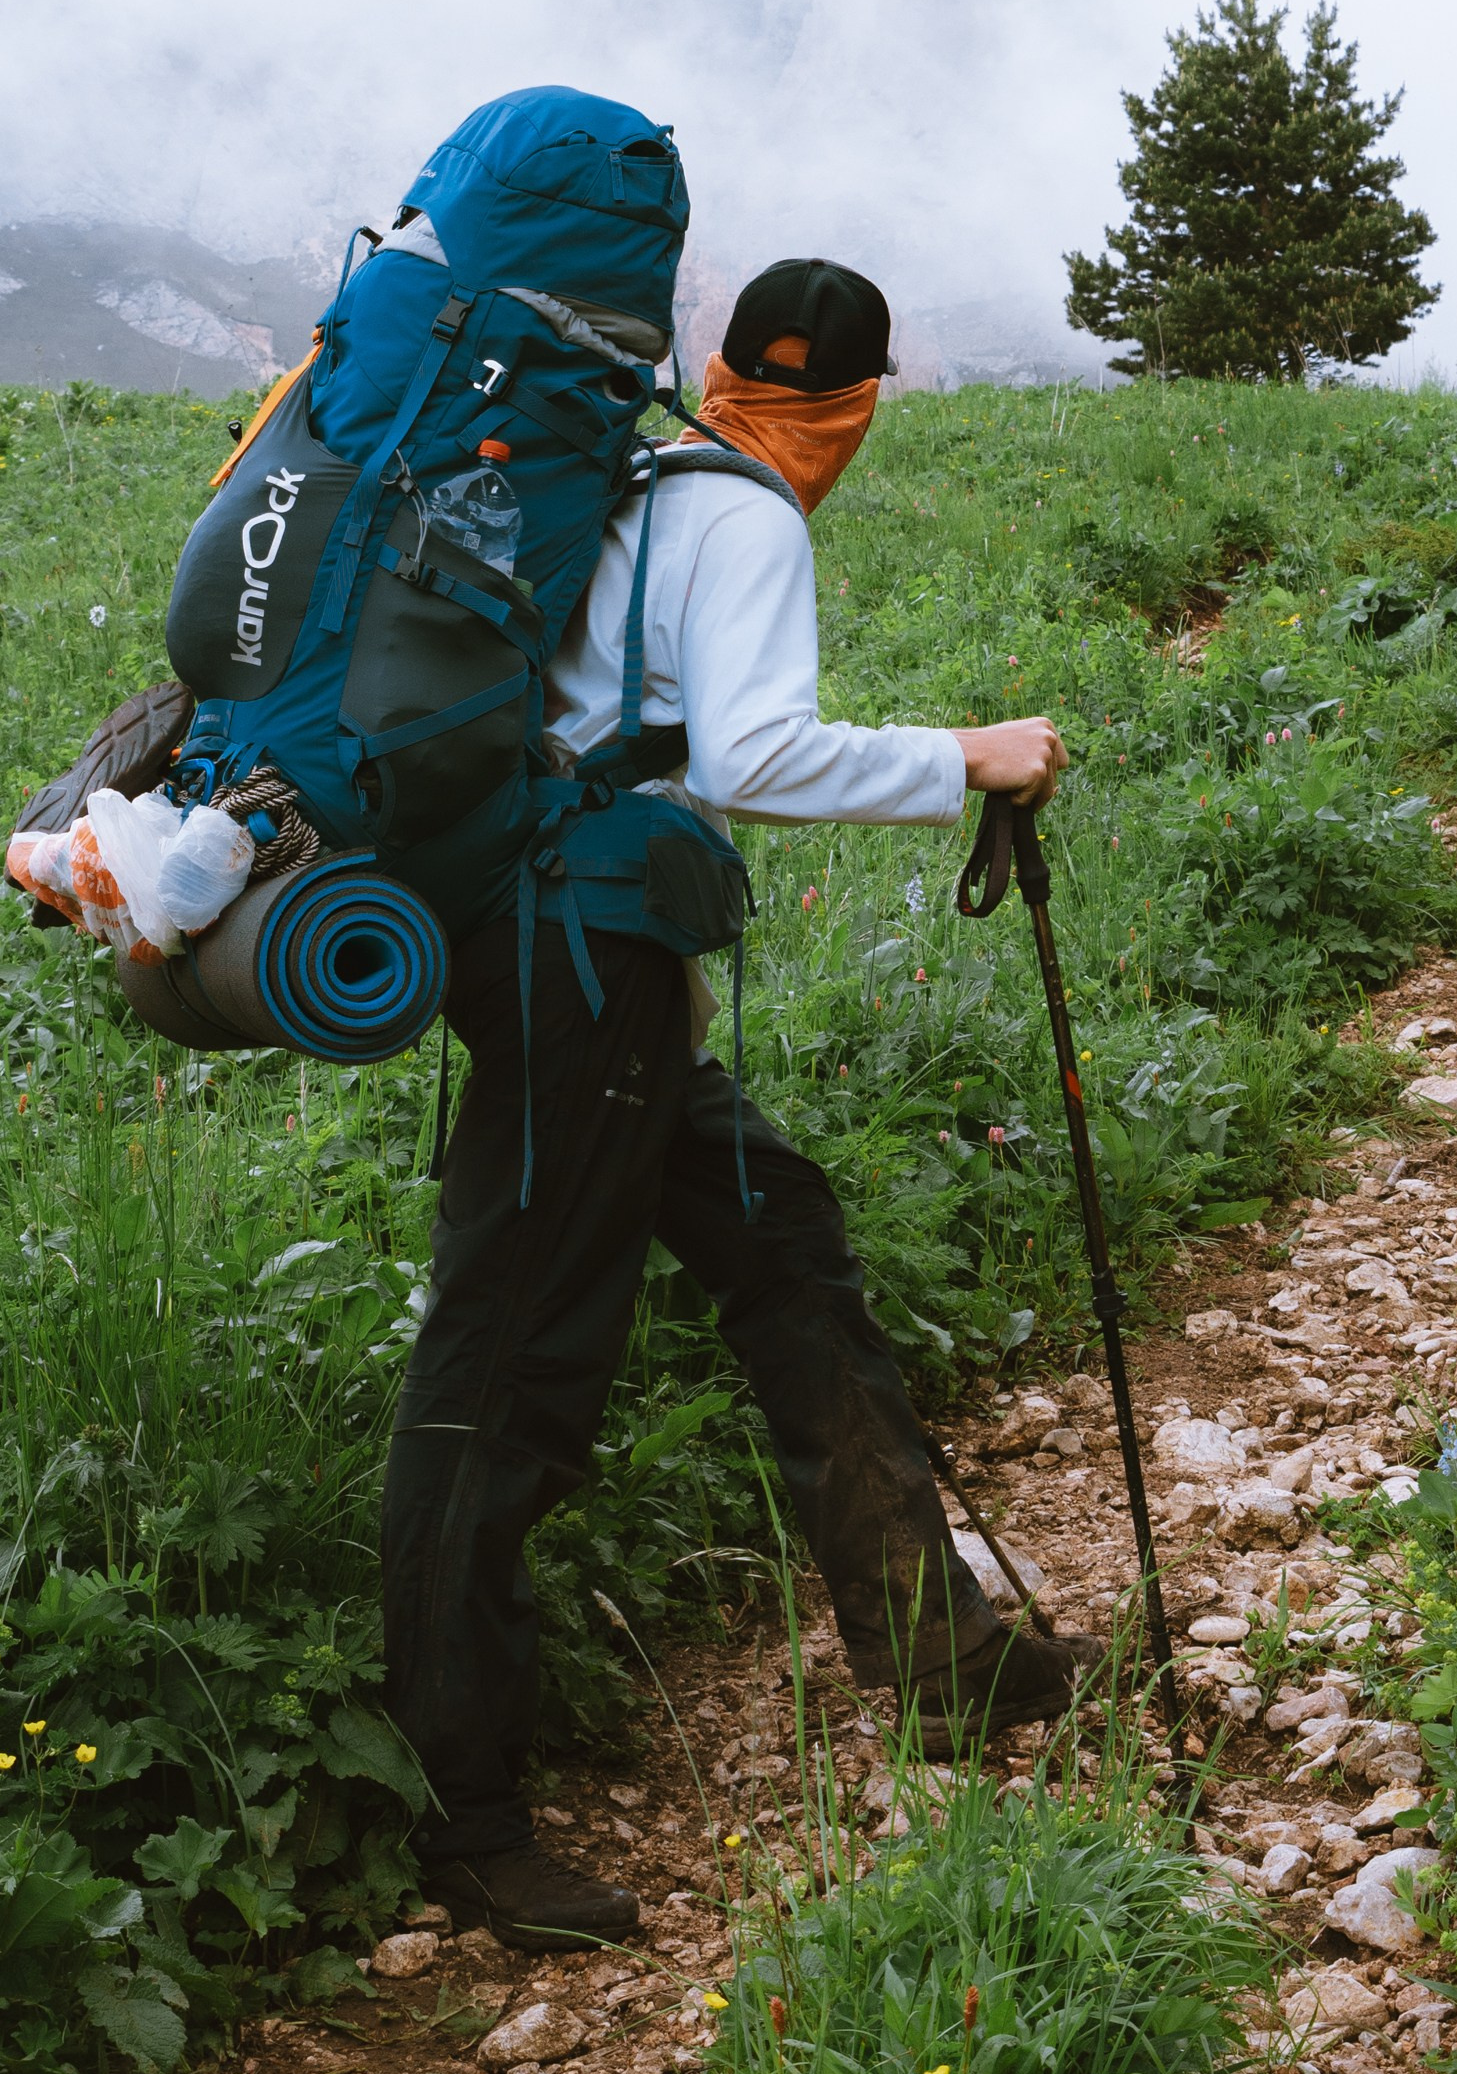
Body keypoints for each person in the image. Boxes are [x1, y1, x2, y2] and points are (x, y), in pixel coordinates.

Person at [383, 255, 1082, 1951]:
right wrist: (966, 758)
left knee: (780, 1244)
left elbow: (609, 728)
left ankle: (939, 1651)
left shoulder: (606, 470)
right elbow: (750, 754)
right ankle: (458, 1814)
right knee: (513, 1352)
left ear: (710, 356)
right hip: (596, 968)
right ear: (860, 403)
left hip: (533, 930)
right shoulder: (744, 514)